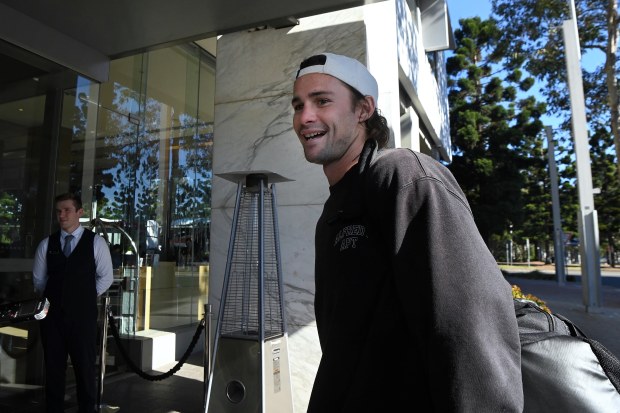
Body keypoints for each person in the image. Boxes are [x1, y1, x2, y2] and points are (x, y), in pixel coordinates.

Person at [291, 53, 523, 412]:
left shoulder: (403, 177)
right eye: (299, 105)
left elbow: (473, 331)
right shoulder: (333, 212)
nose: (305, 116)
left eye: (322, 101)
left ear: (364, 109)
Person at [33, 193, 113, 413]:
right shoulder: (46, 244)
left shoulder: (96, 242)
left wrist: (84, 296)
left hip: (82, 319)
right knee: (54, 370)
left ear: (80, 212)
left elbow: (106, 277)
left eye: (67, 210)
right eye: (59, 211)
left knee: (85, 369)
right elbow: (40, 280)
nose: (62, 215)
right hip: (52, 319)